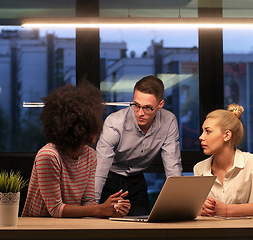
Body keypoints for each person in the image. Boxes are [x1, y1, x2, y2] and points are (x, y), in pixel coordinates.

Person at [22, 82, 131, 218]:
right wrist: (100, 210)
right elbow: (56, 210)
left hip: (71, 226)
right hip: (38, 229)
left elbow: (88, 202)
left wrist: (111, 208)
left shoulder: (90, 155)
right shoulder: (48, 156)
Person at [95, 75, 182, 216]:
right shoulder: (114, 122)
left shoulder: (169, 121)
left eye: (147, 108)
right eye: (136, 105)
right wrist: (92, 206)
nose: (140, 113)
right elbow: (100, 168)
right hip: (108, 181)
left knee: (143, 228)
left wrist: (180, 205)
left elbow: (173, 165)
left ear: (160, 105)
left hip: (136, 182)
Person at [194, 103, 253, 217]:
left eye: (208, 131)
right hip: (212, 232)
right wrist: (201, 210)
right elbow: (197, 210)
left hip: (247, 232)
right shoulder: (199, 168)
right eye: (202, 131)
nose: (201, 137)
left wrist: (227, 210)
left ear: (227, 135)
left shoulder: (252, 162)